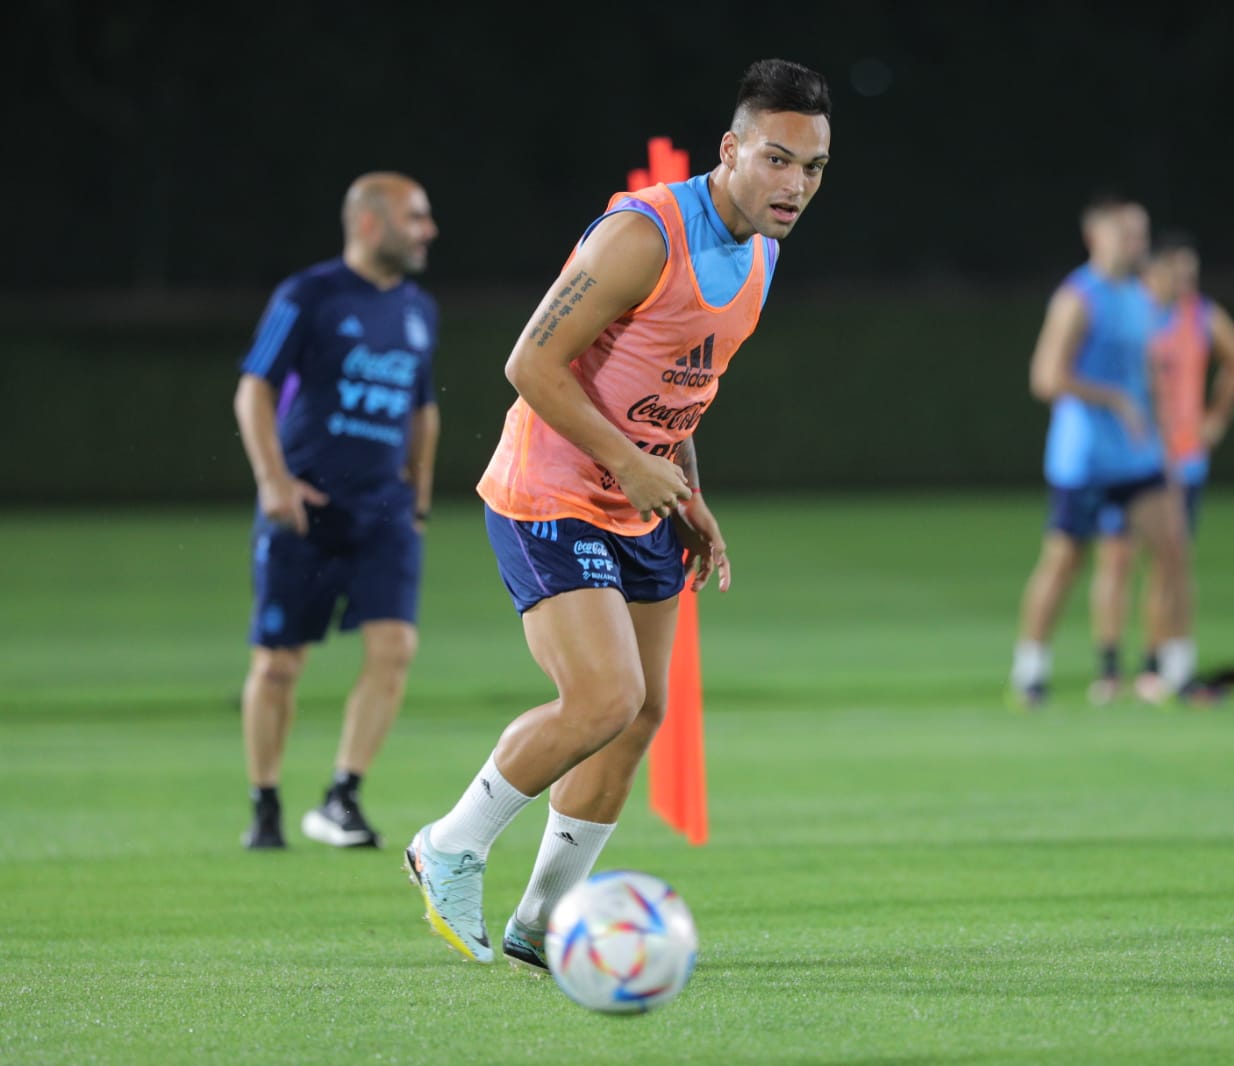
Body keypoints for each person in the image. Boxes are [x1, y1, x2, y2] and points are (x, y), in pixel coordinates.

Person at [402, 59, 831, 968]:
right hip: (548, 490)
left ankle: (540, 922)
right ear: (731, 149)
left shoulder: (763, 254)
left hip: (641, 498)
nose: (795, 185)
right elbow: (528, 365)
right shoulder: (645, 235)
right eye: (777, 159)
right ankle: (449, 845)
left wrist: (687, 492)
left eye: (814, 168)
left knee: (640, 717)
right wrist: (632, 463)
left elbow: (681, 391)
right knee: (602, 697)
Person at [233, 172, 441, 849]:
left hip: (383, 512)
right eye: (415, 217)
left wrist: (419, 498)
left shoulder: (418, 309)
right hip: (306, 510)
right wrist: (274, 482)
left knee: (395, 648)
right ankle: (265, 804)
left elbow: (422, 410)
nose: (428, 231)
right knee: (279, 663)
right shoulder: (309, 296)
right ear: (371, 224)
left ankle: (342, 798)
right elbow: (253, 389)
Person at [1009, 196, 1198, 709]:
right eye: (1126, 234)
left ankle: (1176, 671)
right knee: (1065, 562)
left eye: (1141, 234)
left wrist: (1168, 449)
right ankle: (1030, 672)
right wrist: (1111, 397)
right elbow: (1046, 378)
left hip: (1138, 458)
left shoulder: (1141, 297)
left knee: (1173, 551)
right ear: (1097, 238)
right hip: (1084, 458)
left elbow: (1149, 378)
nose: (1137, 244)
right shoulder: (1078, 297)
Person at [1089, 231, 1234, 702]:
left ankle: (1155, 662)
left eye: (1191, 270)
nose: (1185, 279)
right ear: (1151, 272)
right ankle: (1108, 665)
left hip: (1181, 462)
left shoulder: (1200, 315)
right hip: (1129, 458)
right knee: (1117, 558)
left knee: (1169, 562)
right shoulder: (1129, 312)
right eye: (1175, 269)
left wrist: (1215, 418)